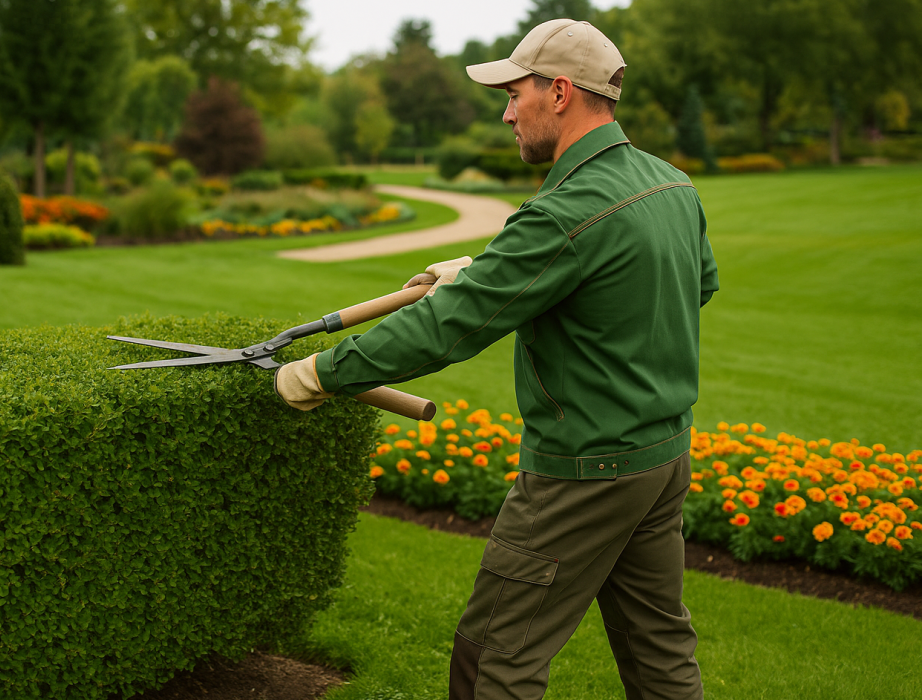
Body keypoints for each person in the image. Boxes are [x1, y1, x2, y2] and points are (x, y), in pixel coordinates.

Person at [276, 18, 718, 700]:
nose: (508, 113)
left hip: (583, 472)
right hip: (660, 461)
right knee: (660, 654)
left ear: (562, 92)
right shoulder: (672, 186)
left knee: (493, 658)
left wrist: (318, 373)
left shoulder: (564, 211)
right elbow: (698, 285)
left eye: (516, 94)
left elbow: (445, 329)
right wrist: (496, 271)